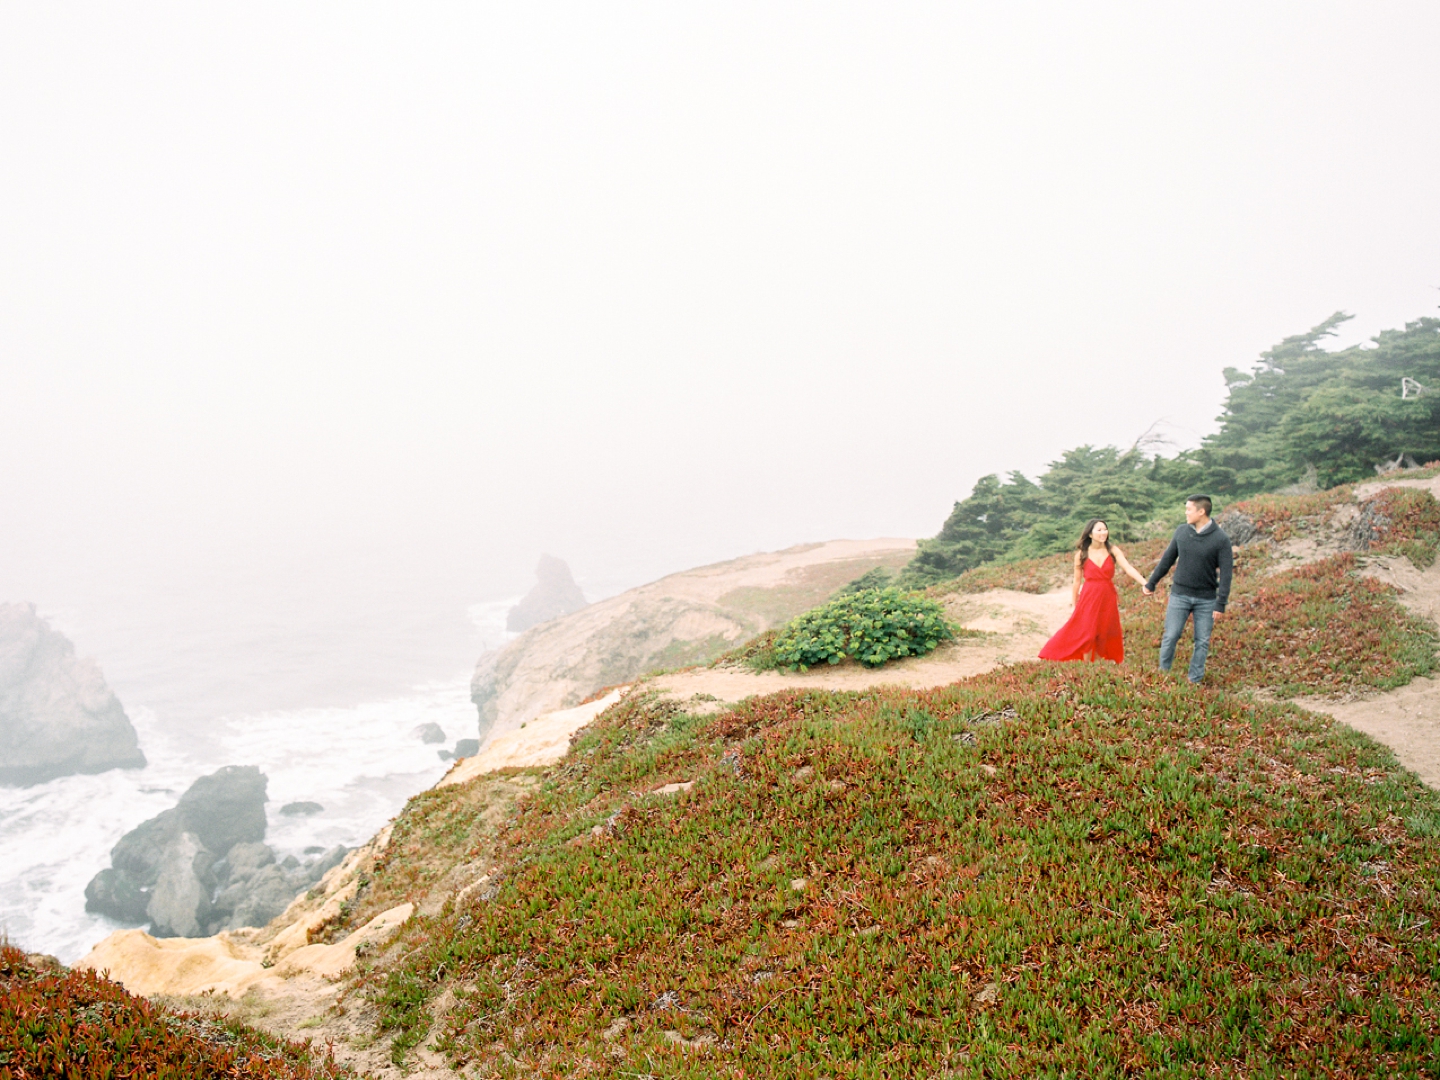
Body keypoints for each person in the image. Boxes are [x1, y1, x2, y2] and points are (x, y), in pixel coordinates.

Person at [1143, 494, 1234, 683]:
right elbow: (1167, 560)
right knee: (1171, 635)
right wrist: (1151, 583)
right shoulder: (1181, 532)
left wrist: (1221, 603)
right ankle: (1163, 676)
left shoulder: (1221, 539)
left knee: (1201, 641)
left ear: (1201, 512)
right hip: (1180, 595)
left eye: (1189, 509)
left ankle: (1195, 681)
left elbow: (1226, 573)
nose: (1185, 513)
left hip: (1207, 599)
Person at [1039, 519, 1150, 663]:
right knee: (1087, 634)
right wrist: (1074, 604)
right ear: (1090, 534)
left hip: (1107, 596)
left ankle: (1096, 666)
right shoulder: (1081, 554)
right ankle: (1086, 667)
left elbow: (1128, 568)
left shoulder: (1112, 550)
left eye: (1105, 529)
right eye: (1099, 530)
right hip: (1089, 596)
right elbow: (1077, 581)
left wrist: (1145, 583)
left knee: (1102, 633)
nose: (1103, 532)